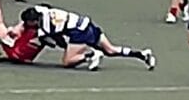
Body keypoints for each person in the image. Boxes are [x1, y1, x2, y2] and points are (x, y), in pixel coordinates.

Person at [27, 5, 156, 70]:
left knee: (67, 61)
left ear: (34, 21)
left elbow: (57, 41)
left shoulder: (45, 26)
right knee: (111, 50)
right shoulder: (44, 10)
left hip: (79, 32)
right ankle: (142, 55)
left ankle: (91, 55)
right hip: (87, 23)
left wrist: (61, 46)